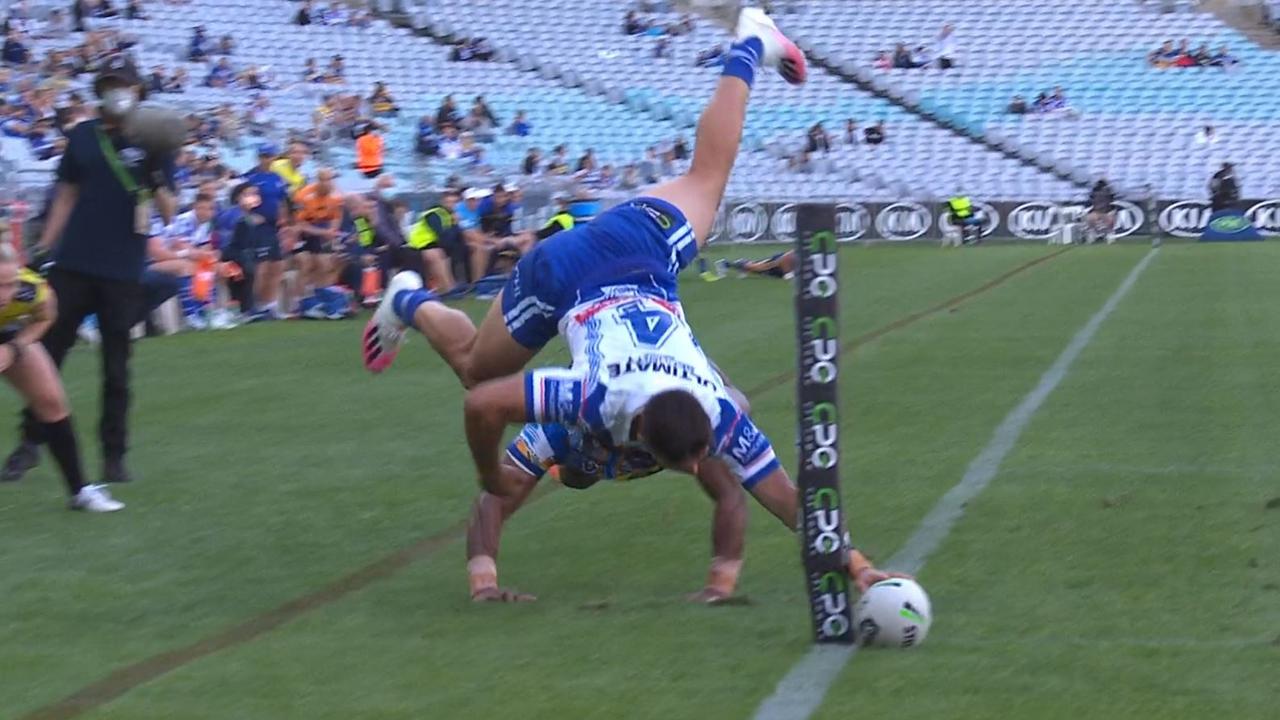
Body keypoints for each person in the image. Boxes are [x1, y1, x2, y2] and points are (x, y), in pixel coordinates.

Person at [362, 7, 807, 384]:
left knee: (707, 176)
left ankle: (406, 299)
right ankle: (406, 299)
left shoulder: (669, 394)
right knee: (477, 372)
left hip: (607, 246)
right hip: (599, 260)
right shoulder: (649, 401)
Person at [3, 56, 177, 487]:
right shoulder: (83, 135)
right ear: (100, 90)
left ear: (138, 91)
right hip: (75, 263)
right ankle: (29, 443)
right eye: (110, 84)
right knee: (46, 354)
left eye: (124, 85)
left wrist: (155, 173)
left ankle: (114, 456)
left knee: (116, 368)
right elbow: (65, 195)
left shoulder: (155, 140)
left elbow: (169, 211)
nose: (117, 92)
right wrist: (45, 247)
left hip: (123, 268)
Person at [0, 242, 124, 510]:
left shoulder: (32, 290)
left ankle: (80, 491)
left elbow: (45, 317)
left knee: (51, 402)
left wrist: (14, 348)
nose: (5, 293)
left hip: (7, 332)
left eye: (10, 283)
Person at [241, 144, 289, 320]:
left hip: (273, 227)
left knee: (277, 265)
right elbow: (243, 201)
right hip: (258, 228)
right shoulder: (251, 177)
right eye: (265, 156)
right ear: (259, 157)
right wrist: (250, 216)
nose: (268, 159)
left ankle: (270, 304)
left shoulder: (277, 178)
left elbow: (282, 201)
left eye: (270, 156)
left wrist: (283, 220)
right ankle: (254, 305)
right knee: (261, 266)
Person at [292, 167, 347, 319]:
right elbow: (300, 225)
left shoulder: (335, 197)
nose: (328, 183)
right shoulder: (304, 195)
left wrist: (332, 232)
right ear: (318, 181)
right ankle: (301, 302)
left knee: (326, 264)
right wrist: (325, 233)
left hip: (323, 228)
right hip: (303, 232)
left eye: (331, 180)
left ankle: (319, 300)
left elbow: (336, 218)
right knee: (307, 264)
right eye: (325, 180)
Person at [405, 190, 465, 295]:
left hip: (431, 245)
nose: (452, 205)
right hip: (417, 246)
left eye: (455, 202)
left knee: (444, 253)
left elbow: (453, 239)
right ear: (443, 202)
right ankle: (447, 288)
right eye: (449, 202)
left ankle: (451, 285)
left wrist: (456, 225)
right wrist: (455, 225)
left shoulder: (447, 215)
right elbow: (443, 237)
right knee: (437, 254)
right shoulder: (434, 213)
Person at [1083, 178, 1116, 244]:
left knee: (1110, 219)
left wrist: (1109, 211)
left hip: (1106, 212)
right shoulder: (1094, 193)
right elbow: (1091, 203)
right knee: (1090, 218)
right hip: (1096, 212)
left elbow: (1112, 202)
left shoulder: (1108, 193)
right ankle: (1092, 234)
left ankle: (1110, 234)